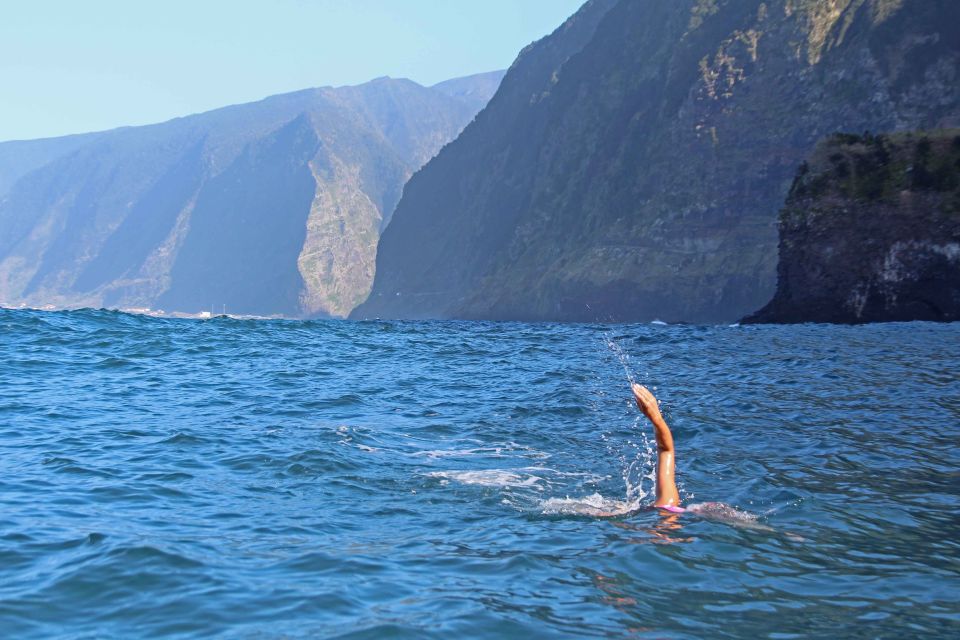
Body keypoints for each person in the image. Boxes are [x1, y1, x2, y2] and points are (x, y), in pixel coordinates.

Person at [631, 383, 684, 513]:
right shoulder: (668, 506)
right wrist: (655, 417)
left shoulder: (668, 505)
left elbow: (666, 450)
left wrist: (656, 417)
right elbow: (666, 450)